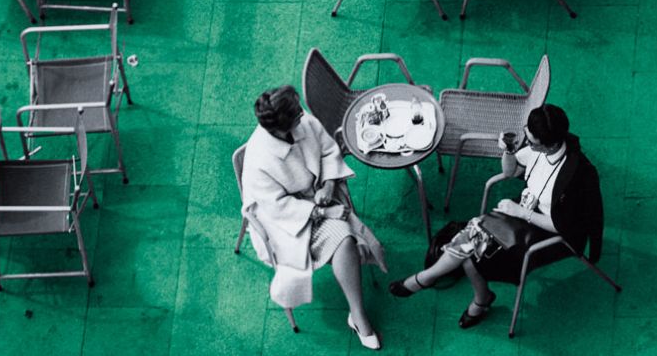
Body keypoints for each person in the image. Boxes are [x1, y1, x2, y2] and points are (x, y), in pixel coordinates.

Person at [388, 104, 603, 329]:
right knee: (473, 237)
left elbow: (563, 226)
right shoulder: (540, 148)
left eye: (531, 142)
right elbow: (510, 172)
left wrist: (521, 212)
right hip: (524, 215)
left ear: (550, 146)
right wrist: (508, 151)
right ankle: (440, 283)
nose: (527, 143)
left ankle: (450, 288)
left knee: (473, 252)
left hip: (549, 233)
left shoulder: (575, 176)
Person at [242, 85, 387, 350]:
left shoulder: (302, 122)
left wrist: (329, 185)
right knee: (345, 239)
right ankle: (359, 317)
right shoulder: (258, 161)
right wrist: (323, 211)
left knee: (344, 238)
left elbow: (328, 150)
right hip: (287, 223)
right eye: (297, 113)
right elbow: (277, 208)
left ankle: (356, 313)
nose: (303, 114)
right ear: (282, 127)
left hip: (319, 195)